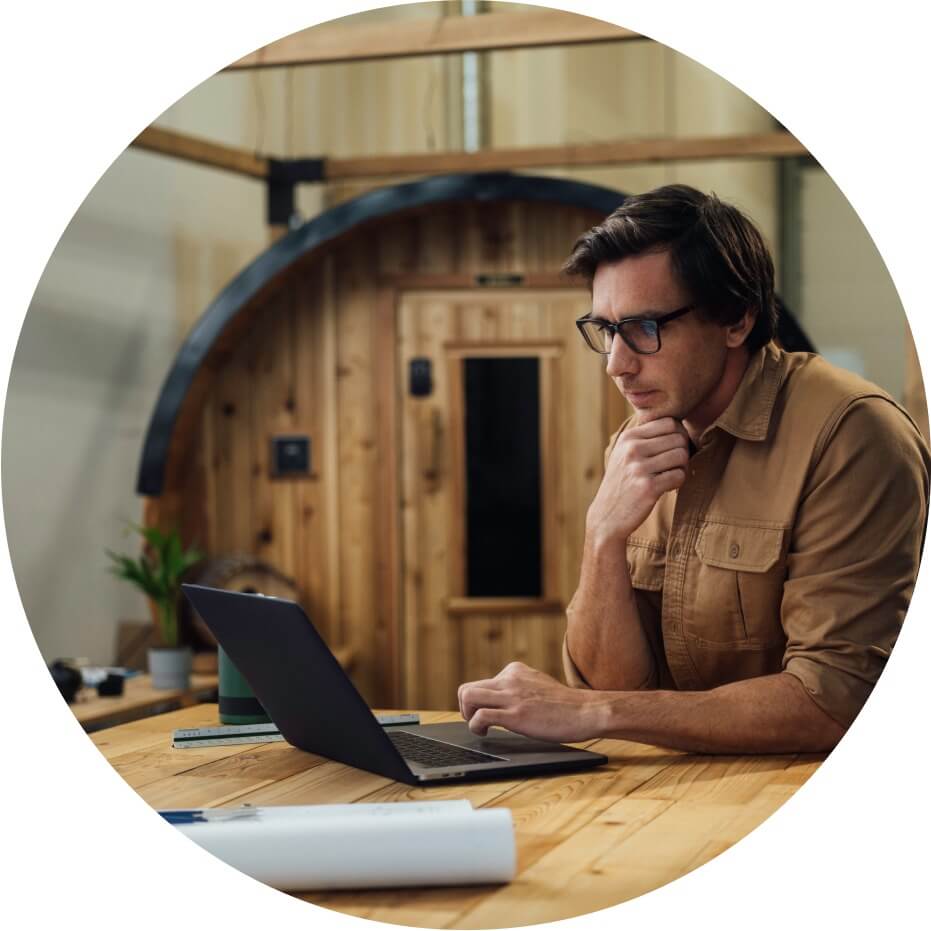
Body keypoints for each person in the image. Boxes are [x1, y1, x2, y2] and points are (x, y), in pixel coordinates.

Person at [457, 184, 930, 754]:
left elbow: (833, 704)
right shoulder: (636, 441)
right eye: (607, 329)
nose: (616, 365)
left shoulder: (853, 435)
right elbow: (615, 685)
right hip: (670, 792)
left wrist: (591, 710)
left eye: (644, 328)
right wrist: (601, 538)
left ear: (736, 319)